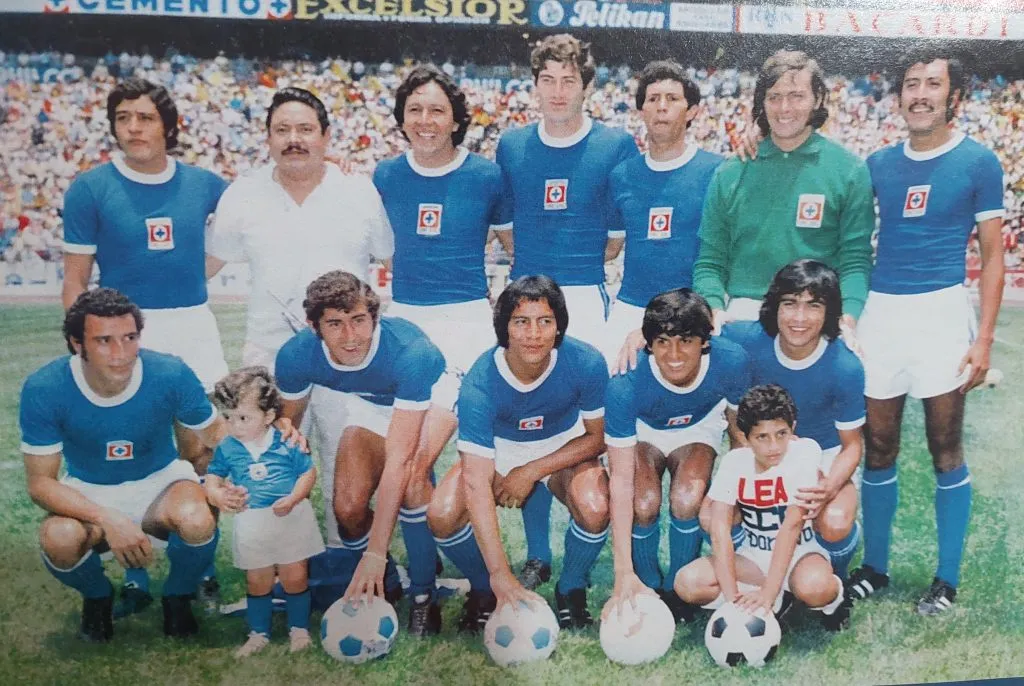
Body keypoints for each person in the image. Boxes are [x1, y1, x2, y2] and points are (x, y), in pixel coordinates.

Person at [60, 80, 230, 607]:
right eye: (124, 118)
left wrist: (192, 277)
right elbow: (75, 279)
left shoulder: (205, 184)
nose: (133, 128)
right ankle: (135, 573)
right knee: (136, 444)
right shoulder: (91, 188)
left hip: (193, 324)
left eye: (146, 117)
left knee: (203, 448)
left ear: (169, 126)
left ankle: (196, 566)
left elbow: (237, 234)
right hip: (125, 332)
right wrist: (81, 346)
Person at [849, 48, 1006, 615]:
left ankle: (946, 579)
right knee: (878, 445)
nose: (920, 94)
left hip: (941, 312)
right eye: (911, 83)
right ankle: (876, 567)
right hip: (882, 314)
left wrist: (982, 339)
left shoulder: (979, 162)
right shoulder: (878, 164)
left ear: (953, 97)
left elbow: (992, 257)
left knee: (945, 445)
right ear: (898, 97)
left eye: (932, 84)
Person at [207, 87, 394, 549]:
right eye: (283, 130)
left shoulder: (357, 190)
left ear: (326, 137)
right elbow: (209, 262)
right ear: (267, 138)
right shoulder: (243, 194)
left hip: (345, 354)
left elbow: (388, 255)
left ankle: (346, 561)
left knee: (344, 470)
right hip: (269, 351)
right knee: (268, 464)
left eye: (306, 129)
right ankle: (277, 570)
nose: (294, 139)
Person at [495, 33, 635, 588]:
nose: (557, 91)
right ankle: (537, 553)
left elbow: (616, 241)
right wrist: (534, 279)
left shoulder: (615, 145)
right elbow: (506, 229)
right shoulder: (511, 146)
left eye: (568, 80)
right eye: (547, 80)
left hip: (584, 299)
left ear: (586, 86)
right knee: (530, 417)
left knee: (585, 424)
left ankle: (582, 558)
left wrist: (569, 266)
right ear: (534, 85)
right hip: (526, 298)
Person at [19, 288, 223, 642]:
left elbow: (218, 435)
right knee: (59, 537)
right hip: (89, 489)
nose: (121, 353)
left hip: (161, 482)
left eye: (130, 338)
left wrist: (272, 439)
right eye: (104, 341)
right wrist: (107, 518)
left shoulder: (170, 373)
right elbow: (40, 483)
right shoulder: (45, 387)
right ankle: (97, 597)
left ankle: (177, 595)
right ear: (77, 344)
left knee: (197, 517)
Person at [274, 270, 456, 636]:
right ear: (313, 326)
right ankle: (385, 576)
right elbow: (286, 428)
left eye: (359, 320)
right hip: (372, 401)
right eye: (335, 324)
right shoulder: (297, 355)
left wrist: (375, 548)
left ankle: (423, 593)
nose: (350, 336)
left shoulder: (410, 351)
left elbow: (399, 461)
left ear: (375, 317)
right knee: (347, 507)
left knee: (412, 479)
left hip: (433, 396)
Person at [426, 276, 609, 632]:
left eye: (545, 321)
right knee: (442, 514)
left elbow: (597, 437)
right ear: (504, 327)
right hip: (501, 450)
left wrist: (531, 471)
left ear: (559, 326)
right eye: (521, 321)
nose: (533, 334)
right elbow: (476, 481)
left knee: (595, 505)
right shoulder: (480, 382)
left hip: (562, 444)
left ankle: (570, 587)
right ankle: (485, 587)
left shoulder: (585, 361)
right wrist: (500, 574)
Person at [691, 49, 874, 334]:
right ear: (762, 103)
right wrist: (714, 309)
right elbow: (709, 261)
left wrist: (847, 318)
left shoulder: (849, 170)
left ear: (818, 99)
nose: (784, 108)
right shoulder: (731, 172)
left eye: (796, 96)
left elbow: (855, 260)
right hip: (743, 314)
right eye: (774, 97)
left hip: (815, 314)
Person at [602, 288, 750, 623]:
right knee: (643, 502)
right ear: (648, 344)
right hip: (644, 429)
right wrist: (622, 571)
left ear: (705, 341)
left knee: (687, 498)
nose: (674, 354)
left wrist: (738, 495)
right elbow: (621, 481)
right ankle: (645, 581)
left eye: (686, 341)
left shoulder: (732, 360)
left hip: (698, 424)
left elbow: (740, 438)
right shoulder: (626, 382)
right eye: (663, 342)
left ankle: (678, 586)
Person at [721, 260, 865, 582]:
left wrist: (827, 487)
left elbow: (852, 447)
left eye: (813, 306)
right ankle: (753, 566)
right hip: (764, 449)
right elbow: (689, 328)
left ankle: (835, 576)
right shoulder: (748, 339)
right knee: (712, 514)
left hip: (824, 454)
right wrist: (639, 334)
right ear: (775, 305)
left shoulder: (845, 367)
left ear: (830, 313)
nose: (799, 318)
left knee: (834, 521)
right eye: (790, 304)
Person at [674, 384, 850, 631]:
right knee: (687, 582)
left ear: (793, 428)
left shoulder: (805, 452)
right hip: (754, 556)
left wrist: (768, 592)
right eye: (762, 437)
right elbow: (720, 530)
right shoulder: (735, 462)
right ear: (745, 438)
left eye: (781, 434)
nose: (774, 446)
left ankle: (834, 601)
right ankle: (775, 600)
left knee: (815, 587)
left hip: (800, 554)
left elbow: (791, 527)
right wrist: (732, 598)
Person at [373, 64, 509, 377]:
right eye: (414, 110)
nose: (425, 120)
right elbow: (385, 249)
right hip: (405, 314)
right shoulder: (386, 175)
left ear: (456, 120)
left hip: (467, 316)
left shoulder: (486, 176)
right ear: (402, 119)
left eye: (437, 110)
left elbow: (508, 241)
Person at [603, 61, 723, 364]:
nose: (661, 107)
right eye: (653, 99)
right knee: (608, 384)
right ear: (641, 110)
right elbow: (611, 245)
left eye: (672, 98)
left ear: (692, 111)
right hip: (632, 305)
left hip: (692, 308)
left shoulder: (716, 171)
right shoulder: (621, 175)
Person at [206, 367, 325, 657]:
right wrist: (218, 495)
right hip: (252, 521)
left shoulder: (286, 441)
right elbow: (213, 478)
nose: (234, 426)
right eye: (227, 417)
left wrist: (294, 498)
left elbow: (307, 473)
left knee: (294, 577)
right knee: (257, 580)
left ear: (269, 416)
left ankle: (299, 630)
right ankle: (258, 632)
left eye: (243, 418)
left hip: (291, 518)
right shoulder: (228, 448)